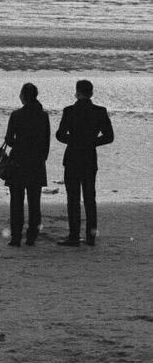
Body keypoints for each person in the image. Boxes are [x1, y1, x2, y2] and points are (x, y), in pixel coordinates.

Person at [55, 79, 114, 246]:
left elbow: (60, 135)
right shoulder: (100, 111)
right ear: (91, 93)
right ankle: (90, 237)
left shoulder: (69, 111)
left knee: (73, 199)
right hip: (89, 157)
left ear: (77, 93)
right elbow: (109, 137)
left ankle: (74, 236)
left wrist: (74, 141)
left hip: (73, 157)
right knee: (89, 198)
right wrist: (91, 142)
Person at [4, 82, 50, 246]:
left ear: (23, 96)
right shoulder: (43, 116)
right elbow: (46, 142)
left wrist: (17, 142)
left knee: (16, 202)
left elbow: (9, 140)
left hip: (18, 161)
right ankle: (32, 236)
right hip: (36, 162)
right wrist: (41, 159)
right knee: (34, 203)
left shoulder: (16, 115)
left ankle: (16, 237)